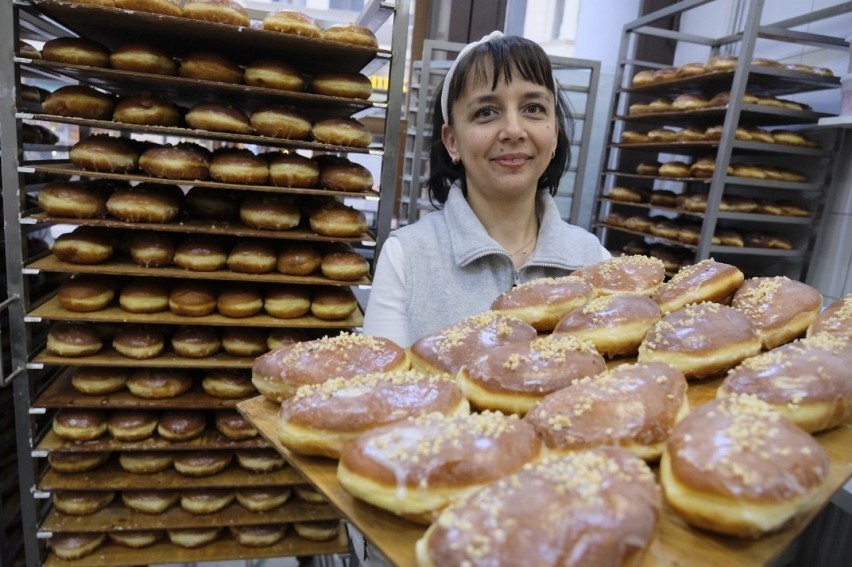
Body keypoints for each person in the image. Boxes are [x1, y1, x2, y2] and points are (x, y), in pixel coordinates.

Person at [362, 31, 609, 347]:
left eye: (533, 108)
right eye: (486, 112)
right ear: (452, 141)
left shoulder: (594, 259)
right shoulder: (407, 258)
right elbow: (383, 390)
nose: (514, 130)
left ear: (555, 135)